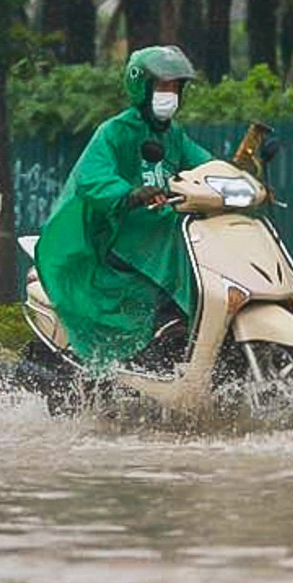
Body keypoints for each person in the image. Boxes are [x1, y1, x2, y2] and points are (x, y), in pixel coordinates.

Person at [33, 45, 214, 366]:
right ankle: (169, 319)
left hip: (152, 229)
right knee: (173, 229)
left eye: (174, 87)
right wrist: (132, 194)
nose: (168, 95)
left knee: (195, 233)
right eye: (161, 87)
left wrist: (234, 179)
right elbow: (91, 177)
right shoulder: (115, 131)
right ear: (141, 87)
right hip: (114, 232)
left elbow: (205, 166)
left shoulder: (174, 136)